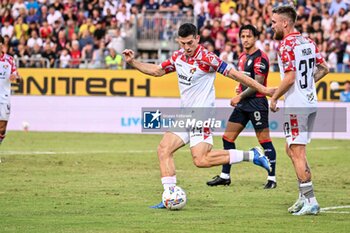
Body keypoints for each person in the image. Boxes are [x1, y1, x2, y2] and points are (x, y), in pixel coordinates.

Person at [123, 23, 274, 209]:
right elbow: (157, 71)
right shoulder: (178, 56)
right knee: (164, 149)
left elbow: (236, 75)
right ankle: (169, 195)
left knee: (201, 160)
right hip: (185, 113)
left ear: (197, 39)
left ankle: (252, 155)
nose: (186, 47)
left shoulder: (207, 58)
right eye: (182, 43)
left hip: (202, 114)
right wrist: (133, 63)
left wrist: (264, 89)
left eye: (189, 43)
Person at [269, 5, 329, 215]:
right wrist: (308, 86)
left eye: (274, 22)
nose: (272, 26)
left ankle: (311, 200)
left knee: (297, 152)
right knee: (291, 149)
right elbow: (324, 68)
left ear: (285, 23)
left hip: (297, 105)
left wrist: (275, 98)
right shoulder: (308, 42)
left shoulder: (286, 45)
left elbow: (290, 76)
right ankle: (303, 196)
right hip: (310, 102)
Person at [206, 24, 277, 189]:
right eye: (243, 36)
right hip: (243, 103)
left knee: (264, 141)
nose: (245, 40)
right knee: (227, 138)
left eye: (249, 36)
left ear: (256, 38)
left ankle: (272, 179)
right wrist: (239, 89)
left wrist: (240, 95)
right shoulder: (243, 57)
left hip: (257, 103)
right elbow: (244, 79)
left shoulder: (261, 58)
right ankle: (225, 176)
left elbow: (258, 85)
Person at [0, 35, 21, 146]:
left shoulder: (9, 60)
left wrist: (16, 78)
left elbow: (19, 79)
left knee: (2, 128)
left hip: (4, 97)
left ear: (2, 45)